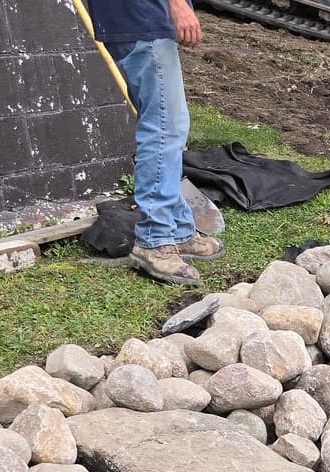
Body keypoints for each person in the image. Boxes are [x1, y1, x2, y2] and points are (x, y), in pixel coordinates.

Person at [86, 0, 222, 284]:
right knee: (163, 130)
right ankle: (155, 240)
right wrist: (178, 5)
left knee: (166, 124)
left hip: (128, 18)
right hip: (142, 17)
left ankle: (178, 230)